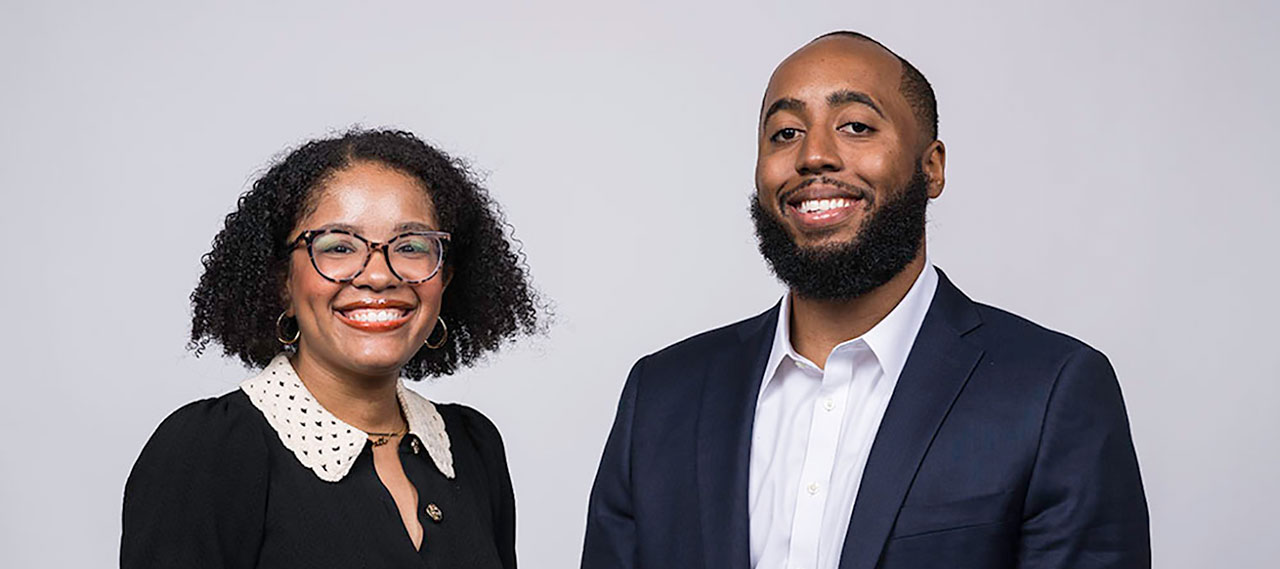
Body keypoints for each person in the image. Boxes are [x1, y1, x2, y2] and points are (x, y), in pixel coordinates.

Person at [581, 31, 1149, 569]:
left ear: (932, 168)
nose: (814, 156)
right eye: (785, 133)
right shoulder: (661, 397)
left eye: (855, 126)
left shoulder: (1052, 392)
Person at [122, 129, 541, 569]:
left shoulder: (472, 447)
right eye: (338, 246)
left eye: (412, 246)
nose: (379, 276)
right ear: (282, 281)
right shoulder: (208, 450)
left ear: (445, 280)